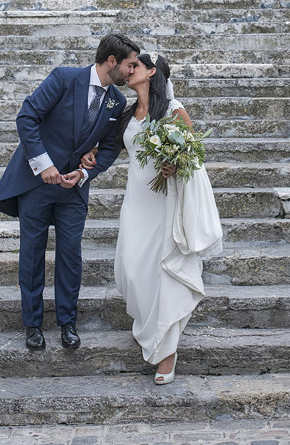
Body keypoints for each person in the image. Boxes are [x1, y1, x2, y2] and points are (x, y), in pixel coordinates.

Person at [0, 34, 140, 351]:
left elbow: (112, 147)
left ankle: (67, 323)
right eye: (129, 65)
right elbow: (27, 116)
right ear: (111, 61)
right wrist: (42, 164)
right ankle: (32, 325)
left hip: (73, 191)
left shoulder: (117, 101)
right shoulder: (64, 78)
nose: (132, 72)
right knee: (32, 255)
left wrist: (86, 172)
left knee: (71, 255)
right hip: (37, 185)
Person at [81, 53, 222, 385]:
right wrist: (86, 152)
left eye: (136, 67)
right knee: (130, 269)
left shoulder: (173, 112)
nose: (129, 72)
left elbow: (195, 155)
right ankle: (148, 326)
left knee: (164, 272)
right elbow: (109, 148)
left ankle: (167, 353)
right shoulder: (128, 113)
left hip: (164, 202)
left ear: (151, 72)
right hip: (136, 203)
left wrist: (175, 164)